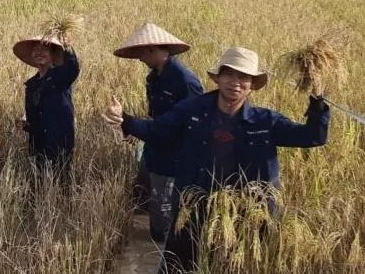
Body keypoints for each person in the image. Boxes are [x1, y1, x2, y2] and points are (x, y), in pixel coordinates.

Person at [103, 46, 331, 273]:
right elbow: (157, 131)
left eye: (243, 77)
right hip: (194, 208)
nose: (235, 82)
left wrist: (318, 100)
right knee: (177, 265)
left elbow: (313, 137)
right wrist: (124, 119)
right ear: (218, 78)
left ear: (252, 85)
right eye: (229, 74)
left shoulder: (265, 122)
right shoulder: (192, 111)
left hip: (245, 215)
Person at [113, 22, 204, 241]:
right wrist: (131, 129)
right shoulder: (153, 79)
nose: (139, 58)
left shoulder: (185, 81)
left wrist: (127, 121)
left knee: (162, 225)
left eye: (142, 53)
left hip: (174, 158)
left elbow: (189, 125)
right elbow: (155, 117)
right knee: (144, 202)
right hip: (154, 148)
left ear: (153, 49)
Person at [13, 32, 80, 174]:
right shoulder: (31, 85)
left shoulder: (60, 78)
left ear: (53, 54)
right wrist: (26, 125)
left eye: (44, 49)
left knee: (61, 185)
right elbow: (36, 117)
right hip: (38, 146)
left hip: (59, 145)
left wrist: (68, 48)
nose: (39, 52)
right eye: (35, 50)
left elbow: (72, 69)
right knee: (40, 185)